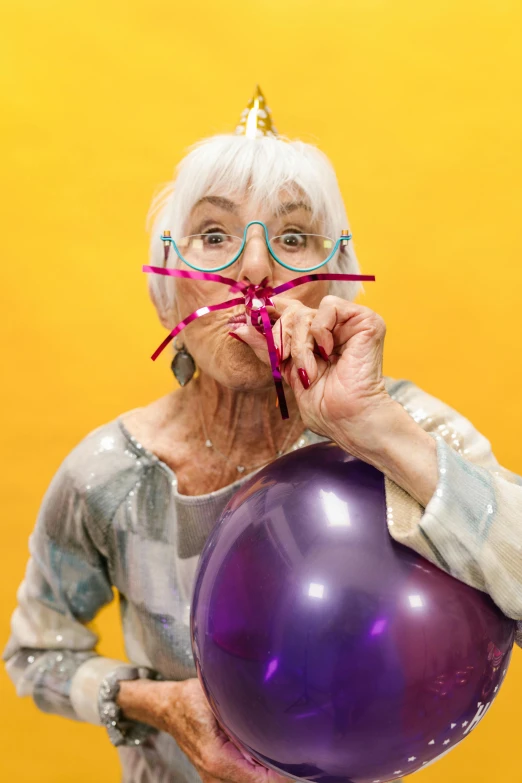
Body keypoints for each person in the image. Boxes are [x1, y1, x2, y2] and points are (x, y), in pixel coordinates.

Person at [4, 87, 522, 783]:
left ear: (331, 280)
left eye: (293, 237)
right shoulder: (110, 475)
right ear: (172, 284)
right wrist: (160, 704)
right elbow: (36, 654)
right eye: (215, 235)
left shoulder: (402, 430)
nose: (255, 269)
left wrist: (372, 430)